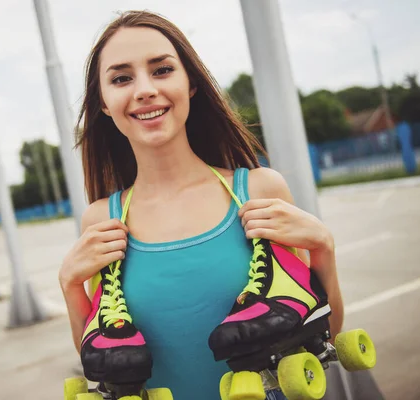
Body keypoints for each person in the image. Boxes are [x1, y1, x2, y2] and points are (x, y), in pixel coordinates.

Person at [59, 10, 343, 400]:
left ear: (190, 83)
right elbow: (103, 360)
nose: (144, 89)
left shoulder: (258, 190)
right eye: (122, 78)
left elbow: (322, 335)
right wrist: (71, 284)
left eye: (161, 70)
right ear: (104, 103)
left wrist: (323, 247)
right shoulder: (101, 220)